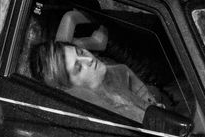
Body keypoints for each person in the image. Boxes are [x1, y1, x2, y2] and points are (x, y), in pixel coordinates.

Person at [30, 40, 161, 122]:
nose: (89, 59)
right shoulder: (101, 121)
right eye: (78, 67)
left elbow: (149, 100)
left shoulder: (118, 72)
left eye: (80, 52)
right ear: (70, 89)